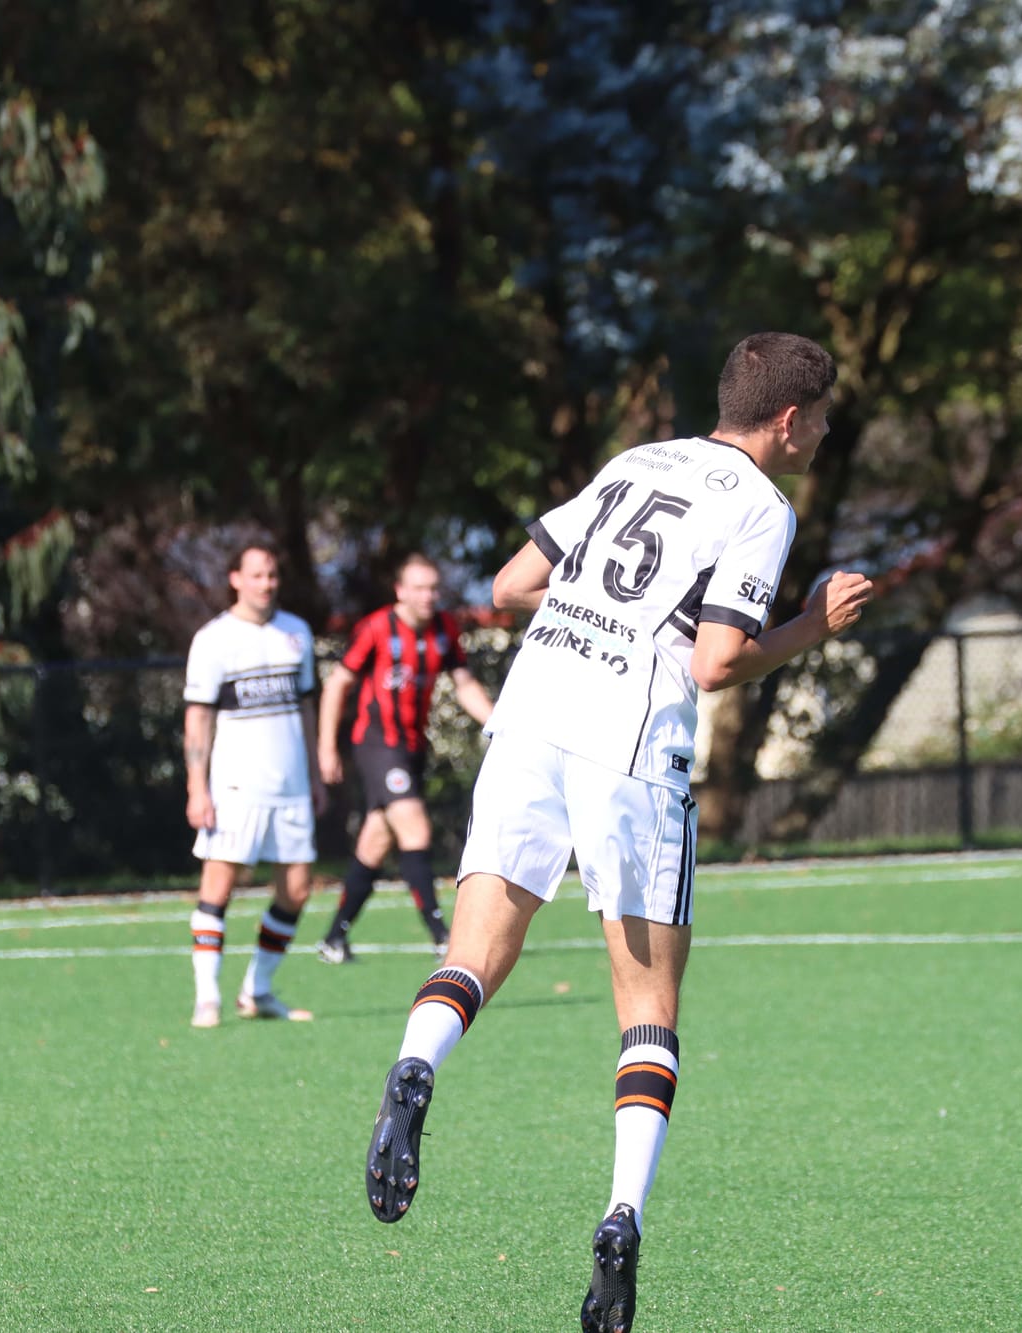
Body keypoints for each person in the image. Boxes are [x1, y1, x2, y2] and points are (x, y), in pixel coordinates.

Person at [360, 333, 876, 1331]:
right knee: (647, 1010)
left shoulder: (633, 461)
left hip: (527, 718)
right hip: (630, 749)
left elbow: (510, 587)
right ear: (785, 421)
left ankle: (417, 1065)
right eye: (817, 419)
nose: (817, 435)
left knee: (472, 955)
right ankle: (621, 1212)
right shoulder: (762, 506)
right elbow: (715, 663)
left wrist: (595, 618)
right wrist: (815, 624)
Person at [313, 554, 494, 964]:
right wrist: (326, 746)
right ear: (400, 591)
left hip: (412, 749)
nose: (429, 596)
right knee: (414, 827)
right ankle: (441, 935)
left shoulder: (444, 629)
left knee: (376, 841)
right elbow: (338, 682)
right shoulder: (377, 628)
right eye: (420, 588)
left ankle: (334, 938)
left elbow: (463, 683)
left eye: (434, 588)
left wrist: (498, 722)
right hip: (377, 744)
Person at [183, 539, 328, 1028]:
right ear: (235, 579)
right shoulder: (213, 639)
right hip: (235, 788)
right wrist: (196, 788)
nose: (266, 584)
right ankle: (207, 997)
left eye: (272, 575)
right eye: (257, 575)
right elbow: (198, 719)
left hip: (290, 788)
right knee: (219, 887)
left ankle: (257, 990)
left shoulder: (296, 633)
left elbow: (306, 708)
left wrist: (315, 771)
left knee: (297, 889)